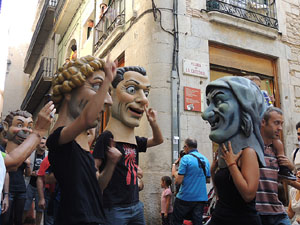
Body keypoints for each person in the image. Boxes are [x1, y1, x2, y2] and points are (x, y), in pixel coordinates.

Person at [46, 54, 121, 225]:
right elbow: (87, 119)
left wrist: (111, 163)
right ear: (68, 91)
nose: (108, 101)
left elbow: (98, 186)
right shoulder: (57, 137)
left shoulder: (82, 144)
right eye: (96, 86)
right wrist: (108, 79)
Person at [93, 66, 164, 225]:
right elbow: (93, 171)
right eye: (132, 89)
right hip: (113, 208)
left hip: (135, 205)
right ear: (111, 93)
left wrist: (153, 123)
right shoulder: (107, 137)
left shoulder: (134, 141)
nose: (144, 99)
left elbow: (158, 140)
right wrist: (110, 164)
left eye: (146, 93)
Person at [202, 76, 266, 225]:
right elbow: (221, 196)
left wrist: (231, 165)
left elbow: (248, 194)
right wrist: (213, 171)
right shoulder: (226, 153)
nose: (206, 114)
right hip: (221, 217)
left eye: (218, 101)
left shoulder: (248, 152)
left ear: (245, 106)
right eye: (208, 103)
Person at [1, 105, 54, 225]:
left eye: (29, 127)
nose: (26, 130)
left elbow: (21, 168)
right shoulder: (2, 153)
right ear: (6, 126)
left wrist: (28, 165)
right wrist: (38, 131)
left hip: (21, 189)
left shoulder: (27, 154)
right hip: (8, 192)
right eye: (20, 125)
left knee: (18, 219)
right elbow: (12, 162)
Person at [245, 75, 295, 180]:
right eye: (254, 86)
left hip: (262, 128)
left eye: (259, 86)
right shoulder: (246, 99)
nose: (257, 89)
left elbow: (271, 111)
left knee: (276, 140)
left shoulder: (263, 96)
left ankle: (283, 165)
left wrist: (272, 102)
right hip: (252, 129)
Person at [256, 107, 291, 225]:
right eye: (276, 123)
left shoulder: (276, 149)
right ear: (263, 122)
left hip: (277, 212)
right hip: (256, 214)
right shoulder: (250, 149)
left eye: (281, 124)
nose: (280, 128)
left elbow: (288, 178)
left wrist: (291, 167)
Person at [171, 138, 210, 225]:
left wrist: (174, 171)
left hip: (185, 197)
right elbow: (208, 180)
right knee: (197, 222)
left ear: (186, 147)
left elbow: (178, 181)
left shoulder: (186, 158)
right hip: (201, 198)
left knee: (176, 221)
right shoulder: (205, 159)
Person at [23, 137, 47, 225]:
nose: (44, 145)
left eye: (45, 143)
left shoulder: (48, 155)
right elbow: (25, 171)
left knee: (40, 209)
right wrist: (32, 173)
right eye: (42, 143)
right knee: (25, 207)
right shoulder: (31, 154)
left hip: (42, 186)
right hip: (30, 184)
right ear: (37, 144)